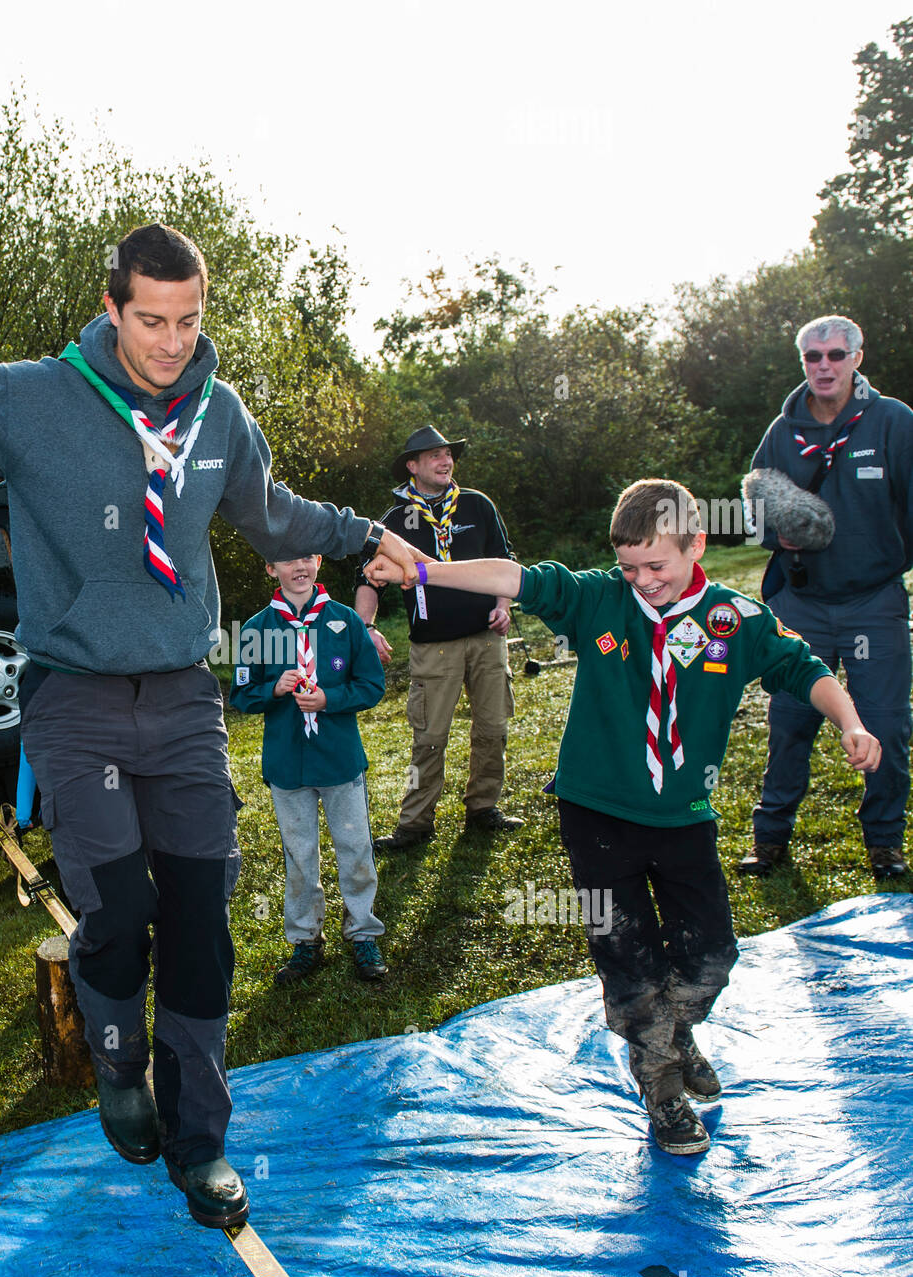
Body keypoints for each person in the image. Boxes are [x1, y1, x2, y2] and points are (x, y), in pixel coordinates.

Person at [0, 180, 423, 1228]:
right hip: (75, 698)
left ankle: (201, 1142)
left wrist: (363, 533)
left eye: (189, 320)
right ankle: (115, 1059)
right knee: (118, 913)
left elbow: (270, 515)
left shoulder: (220, 414)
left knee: (198, 923)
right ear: (111, 306)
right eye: (151, 319)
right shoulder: (36, 397)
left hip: (181, 699)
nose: (173, 341)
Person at [365, 479, 880, 1155]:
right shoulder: (601, 600)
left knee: (712, 955)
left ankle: (674, 1029)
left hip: (684, 817)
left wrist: (850, 720)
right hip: (597, 815)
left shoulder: (736, 619)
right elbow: (515, 577)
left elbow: (803, 667)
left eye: (656, 566)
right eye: (630, 566)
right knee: (628, 959)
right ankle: (661, 1088)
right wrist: (427, 569)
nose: (642, 580)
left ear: (697, 544)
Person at [739, 315, 913, 883]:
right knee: (790, 722)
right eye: (812, 357)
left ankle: (885, 844)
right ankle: (769, 841)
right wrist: (774, 536)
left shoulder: (892, 422)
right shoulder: (782, 431)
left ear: (857, 358)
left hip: (873, 603)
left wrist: (885, 562)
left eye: (836, 355)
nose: (823, 366)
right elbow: (753, 508)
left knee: (885, 726)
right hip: (802, 604)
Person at [354, 425, 522, 851]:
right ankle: (415, 824)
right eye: (434, 456)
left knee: (493, 728)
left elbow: (506, 563)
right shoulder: (395, 521)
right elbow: (370, 581)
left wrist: (504, 605)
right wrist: (367, 628)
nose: (445, 461)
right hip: (434, 646)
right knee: (429, 737)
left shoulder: (477, 506)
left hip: (487, 638)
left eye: (447, 454)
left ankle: (483, 808)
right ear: (412, 466)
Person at [229, 553, 387, 984]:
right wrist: (271, 689)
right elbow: (240, 694)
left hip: (339, 759)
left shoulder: (346, 621)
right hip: (288, 763)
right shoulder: (259, 629)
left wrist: (329, 700)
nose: (298, 567)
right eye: (286, 560)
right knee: (300, 855)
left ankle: (362, 933)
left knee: (355, 850)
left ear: (318, 561)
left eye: (306, 558)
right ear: (270, 569)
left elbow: (372, 684)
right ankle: (305, 940)